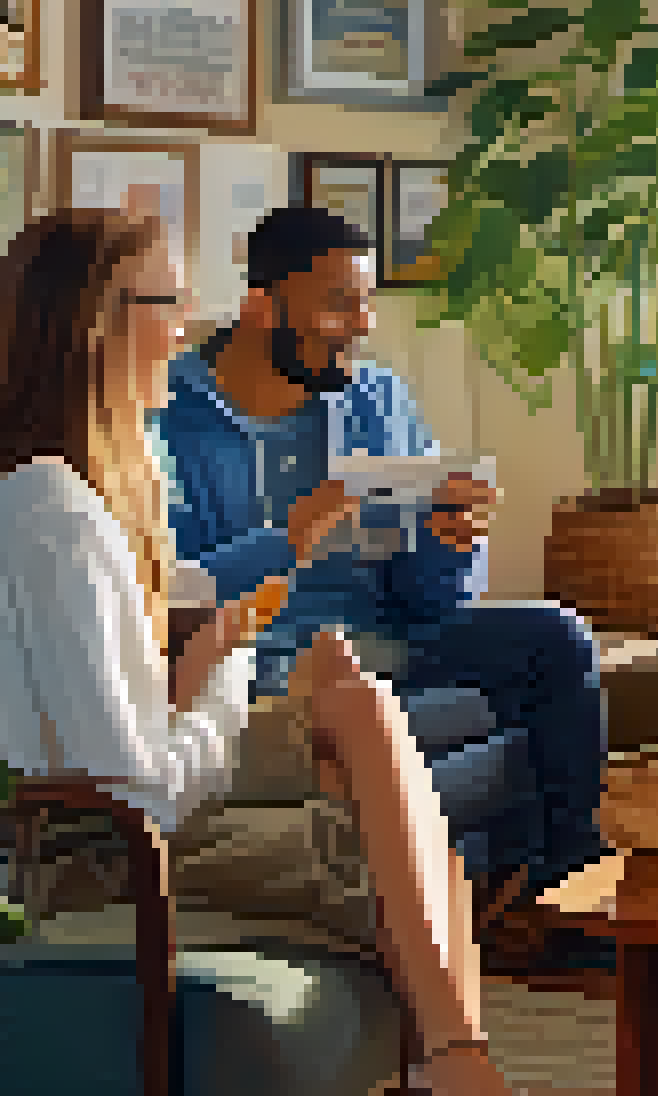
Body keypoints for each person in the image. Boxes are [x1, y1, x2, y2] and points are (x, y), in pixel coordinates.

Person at [0, 209, 517, 1094]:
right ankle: (457, 1062)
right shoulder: (51, 515)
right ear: (100, 325)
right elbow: (135, 791)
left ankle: (453, 1064)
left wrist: (209, 648)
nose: (191, 322)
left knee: (353, 697)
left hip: (90, 810)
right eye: (172, 300)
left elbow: (122, 697)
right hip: (72, 849)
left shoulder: (71, 489)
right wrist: (221, 678)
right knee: (401, 840)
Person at [152, 206, 603, 934]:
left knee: (556, 638)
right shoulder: (169, 415)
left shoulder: (376, 400)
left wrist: (453, 545)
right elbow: (177, 593)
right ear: (262, 305)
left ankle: (566, 899)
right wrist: (297, 529)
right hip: (264, 660)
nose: (361, 324)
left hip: (385, 634)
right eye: (338, 303)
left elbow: (429, 601)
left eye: (366, 302)